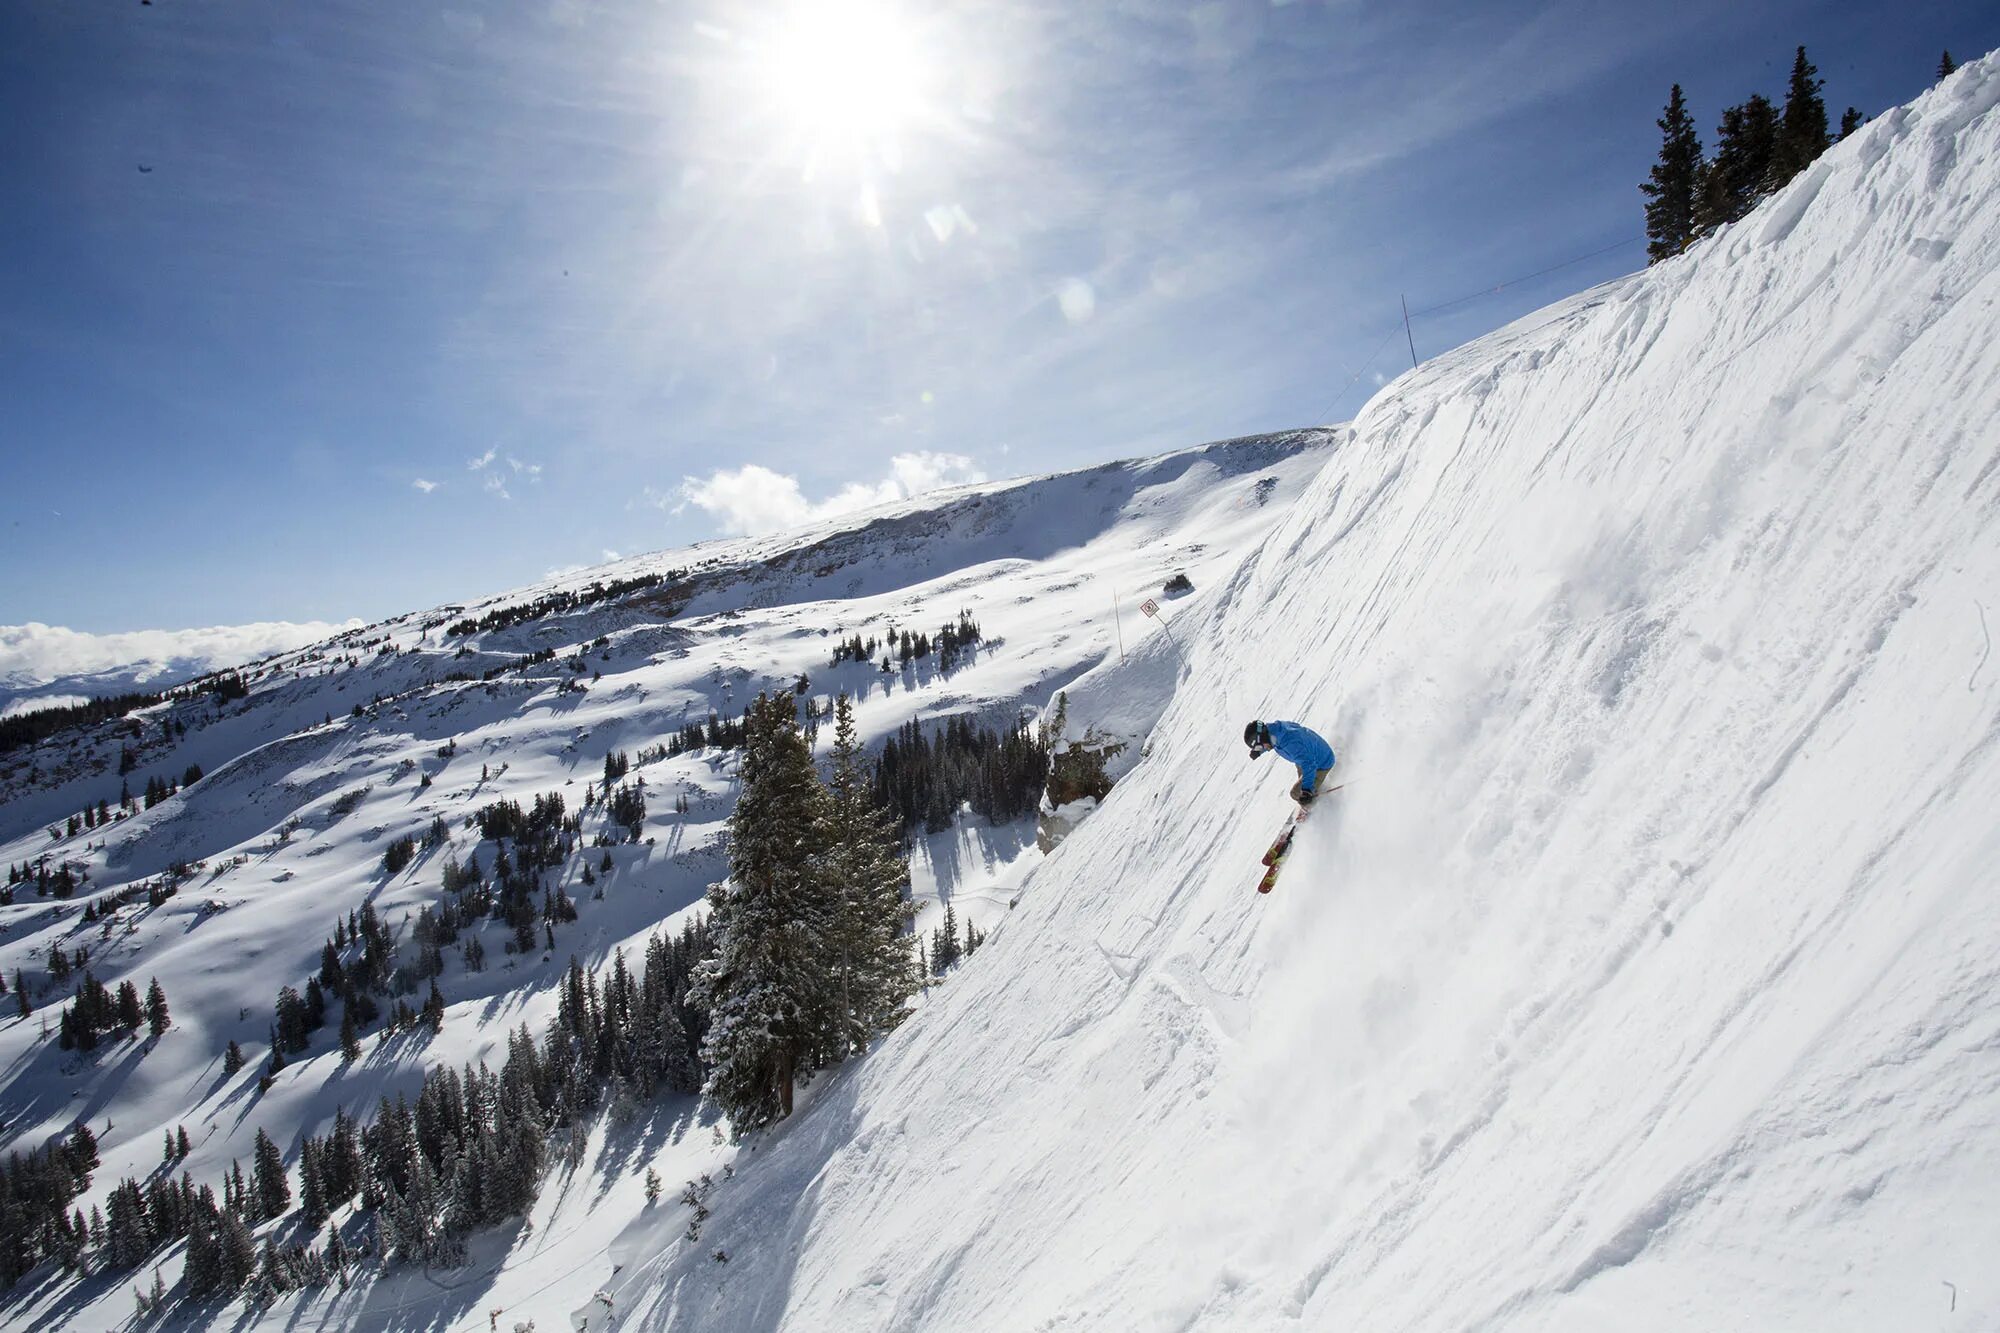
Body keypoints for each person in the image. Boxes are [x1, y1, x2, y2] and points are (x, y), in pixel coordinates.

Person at [1244, 719, 1335, 808]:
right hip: (1312, 754)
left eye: (1259, 747)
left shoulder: (1290, 744)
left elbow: (1309, 764)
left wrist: (1306, 790)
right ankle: (1310, 787)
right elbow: (1268, 742)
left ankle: (1313, 805)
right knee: (1302, 767)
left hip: (1322, 763)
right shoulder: (1276, 730)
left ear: (1263, 738)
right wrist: (1259, 752)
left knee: (1296, 793)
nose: (1262, 748)